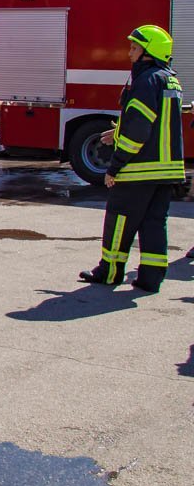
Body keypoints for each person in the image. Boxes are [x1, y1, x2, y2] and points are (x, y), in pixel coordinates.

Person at [79, 25, 185, 293]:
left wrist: (115, 166)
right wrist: (116, 132)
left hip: (139, 169)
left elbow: (139, 129)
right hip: (164, 170)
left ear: (148, 52)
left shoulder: (146, 81)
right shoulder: (169, 78)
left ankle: (109, 271)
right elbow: (155, 123)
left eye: (134, 48)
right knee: (153, 223)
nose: (129, 53)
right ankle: (150, 278)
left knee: (119, 220)